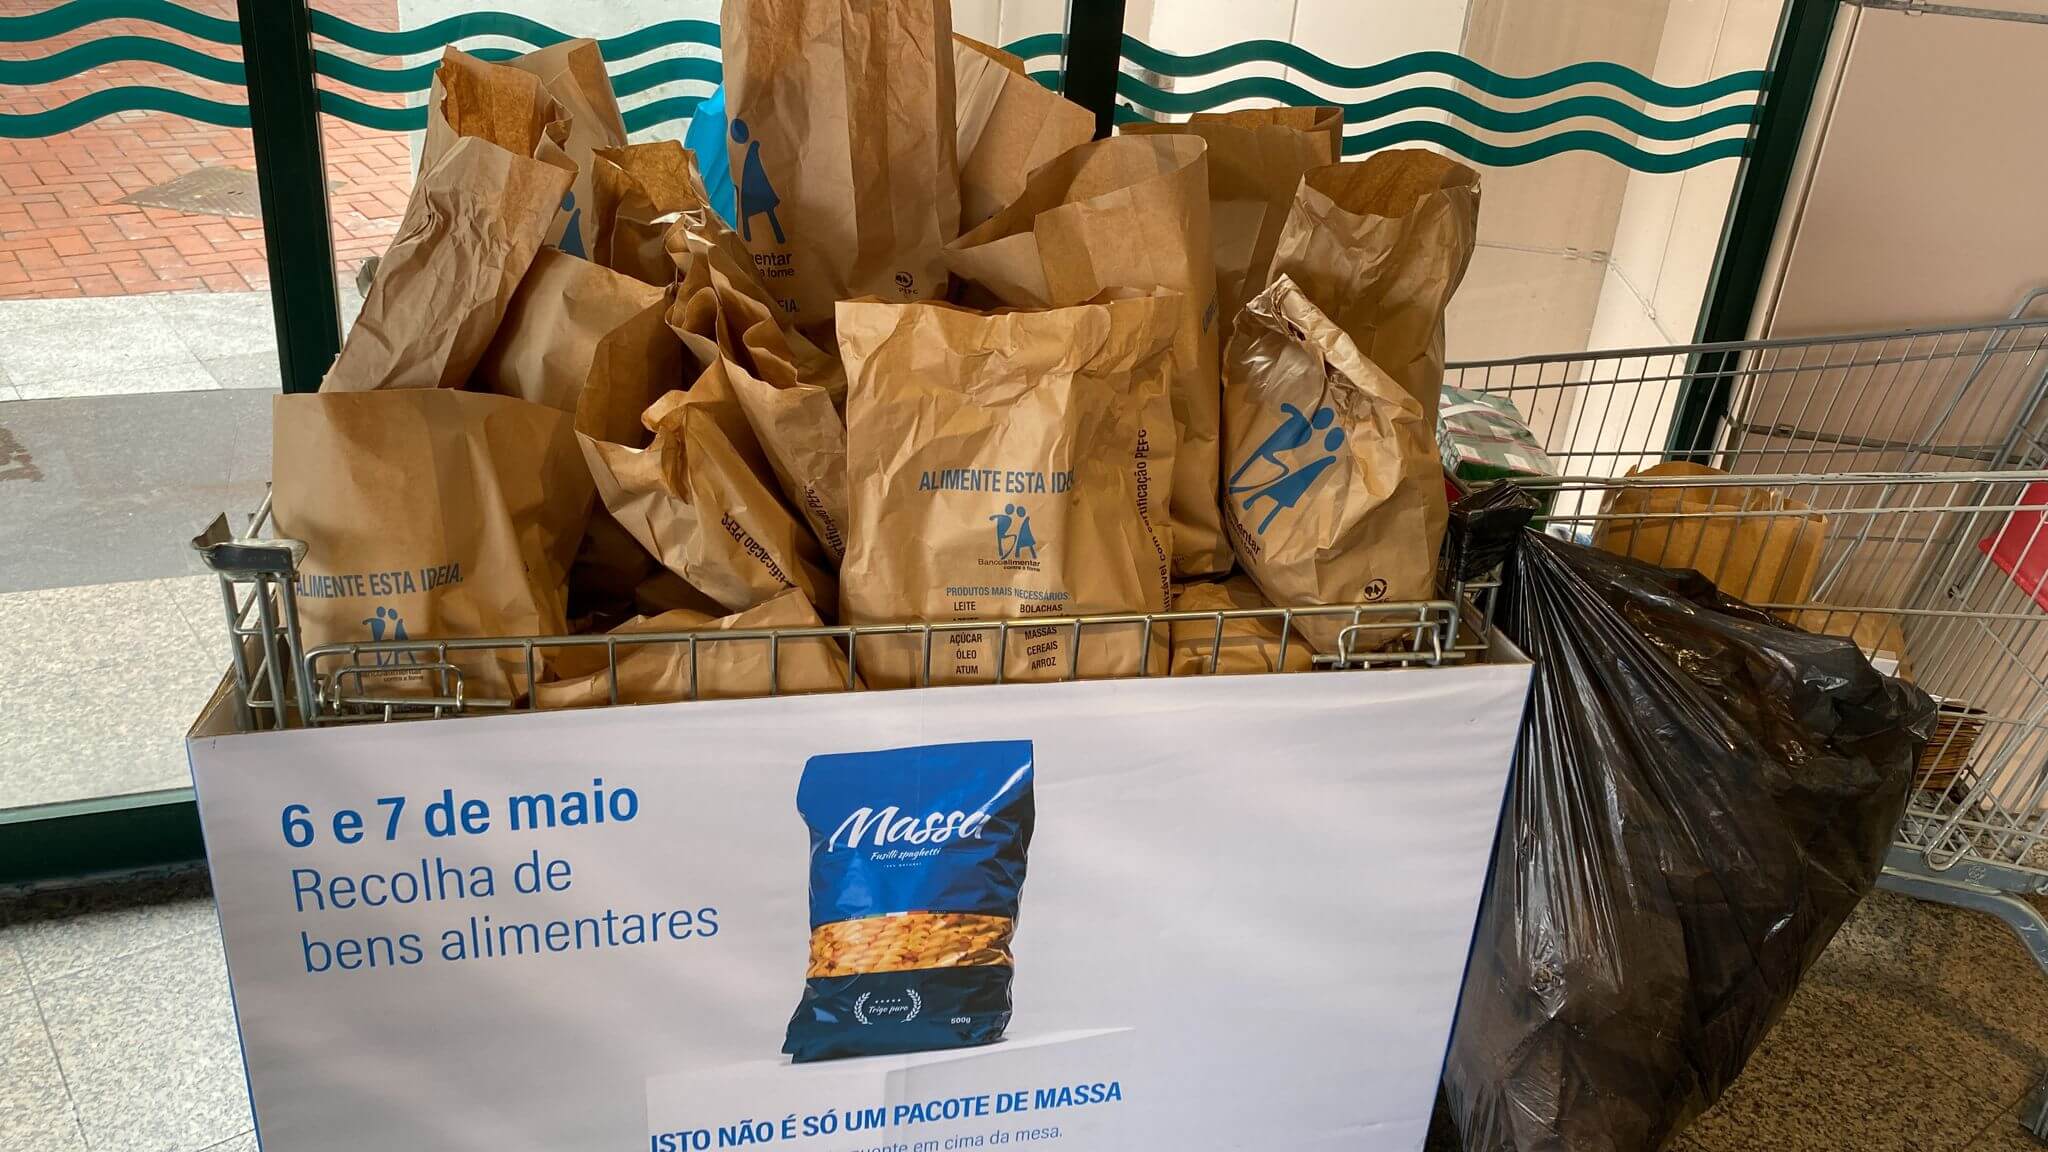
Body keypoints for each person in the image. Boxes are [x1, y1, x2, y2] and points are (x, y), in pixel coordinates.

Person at [1242, 427, 1346, 533]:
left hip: (1301, 480)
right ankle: (1258, 518)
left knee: (1275, 495)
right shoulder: (1328, 455)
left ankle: (1255, 513)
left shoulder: (1327, 456)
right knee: (1277, 497)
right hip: (1300, 480)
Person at [1228, 404, 1335, 493]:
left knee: (1262, 462)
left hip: (1270, 449)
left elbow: (1286, 408)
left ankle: (1238, 483)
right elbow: (1286, 407)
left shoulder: (1306, 431)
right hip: (1270, 448)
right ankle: (1237, 483)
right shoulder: (1305, 430)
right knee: (1259, 462)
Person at [731, 117, 784, 245]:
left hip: (752, 190)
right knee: (768, 213)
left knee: (752, 215)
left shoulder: (750, 150)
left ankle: (750, 239)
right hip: (755, 189)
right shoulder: (751, 150)